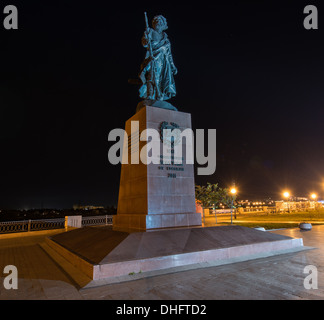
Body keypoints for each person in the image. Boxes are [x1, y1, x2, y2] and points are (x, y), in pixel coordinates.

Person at [139, 15, 177, 101]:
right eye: (157, 21)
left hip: (164, 61)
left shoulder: (166, 39)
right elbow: (145, 44)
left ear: (164, 25)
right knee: (152, 77)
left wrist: (173, 66)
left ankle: (159, 96)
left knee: (161, 80)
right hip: (153, 58)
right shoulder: (150, 32)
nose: (158, 23)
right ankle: (150, 94)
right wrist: (146, 38)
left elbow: (169, 54)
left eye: (160, 22)